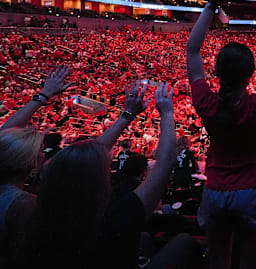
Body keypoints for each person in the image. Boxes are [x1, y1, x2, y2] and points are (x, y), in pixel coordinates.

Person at [21, 82, 193, 269]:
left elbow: (90, 154)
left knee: (144, 237)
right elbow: (166, 160)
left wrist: (128, 114)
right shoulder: (116, 216)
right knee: (183, 242)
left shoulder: (33, 219)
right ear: (96, 180)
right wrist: (167, 113)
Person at [187, 0, 256, 269]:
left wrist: (211, 5)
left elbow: (192, 51)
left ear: (217, 72)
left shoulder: (207, 104)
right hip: (251, 191)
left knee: (219, 262)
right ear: (251, 73)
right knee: (251, 263)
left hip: (215, 190)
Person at [0, 67, 71, 266]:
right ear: (30, 164)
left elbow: (4, 134)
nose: (44, 153)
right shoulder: (24, 205)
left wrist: (43, 95)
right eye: (41, 150)